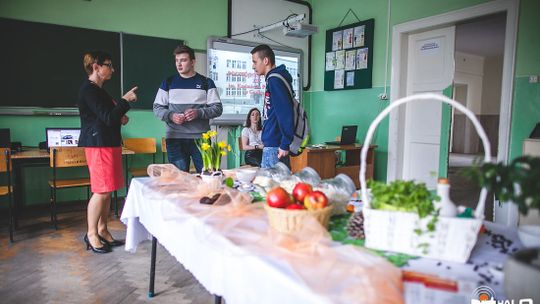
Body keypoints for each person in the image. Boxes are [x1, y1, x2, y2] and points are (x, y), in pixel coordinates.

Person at [78, 50, 138, 253]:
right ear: (96, 67)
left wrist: (121, 114)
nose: (112, 69)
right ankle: (91, 233)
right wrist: (125, 100)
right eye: (109, 65)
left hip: (109, 143)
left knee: (108, 188)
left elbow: (111, 116)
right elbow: (108, 117)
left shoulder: (100, 91)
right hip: (99, 144)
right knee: (101, 190)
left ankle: (102, 230)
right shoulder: (89, 90)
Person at [153, 45, 222, 172]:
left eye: (183, 60)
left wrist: (199, 113)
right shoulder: (168, 82)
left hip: (201, 138)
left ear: (193, 62)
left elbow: (218, 108)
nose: (179, 64)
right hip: (175, 138)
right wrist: (171, 116)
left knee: (206, 176)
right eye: (177, 60)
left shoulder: (206, 82)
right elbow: (157, 108)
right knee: (179, 179)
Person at [250, 44, 294, 168]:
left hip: (275, 146)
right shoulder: (273, 79)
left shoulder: (275, 80)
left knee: (271, 187)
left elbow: (285, 113)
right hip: (273, 144)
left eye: (255, 62)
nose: (253, 66)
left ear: (265, 60)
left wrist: (285, 144)